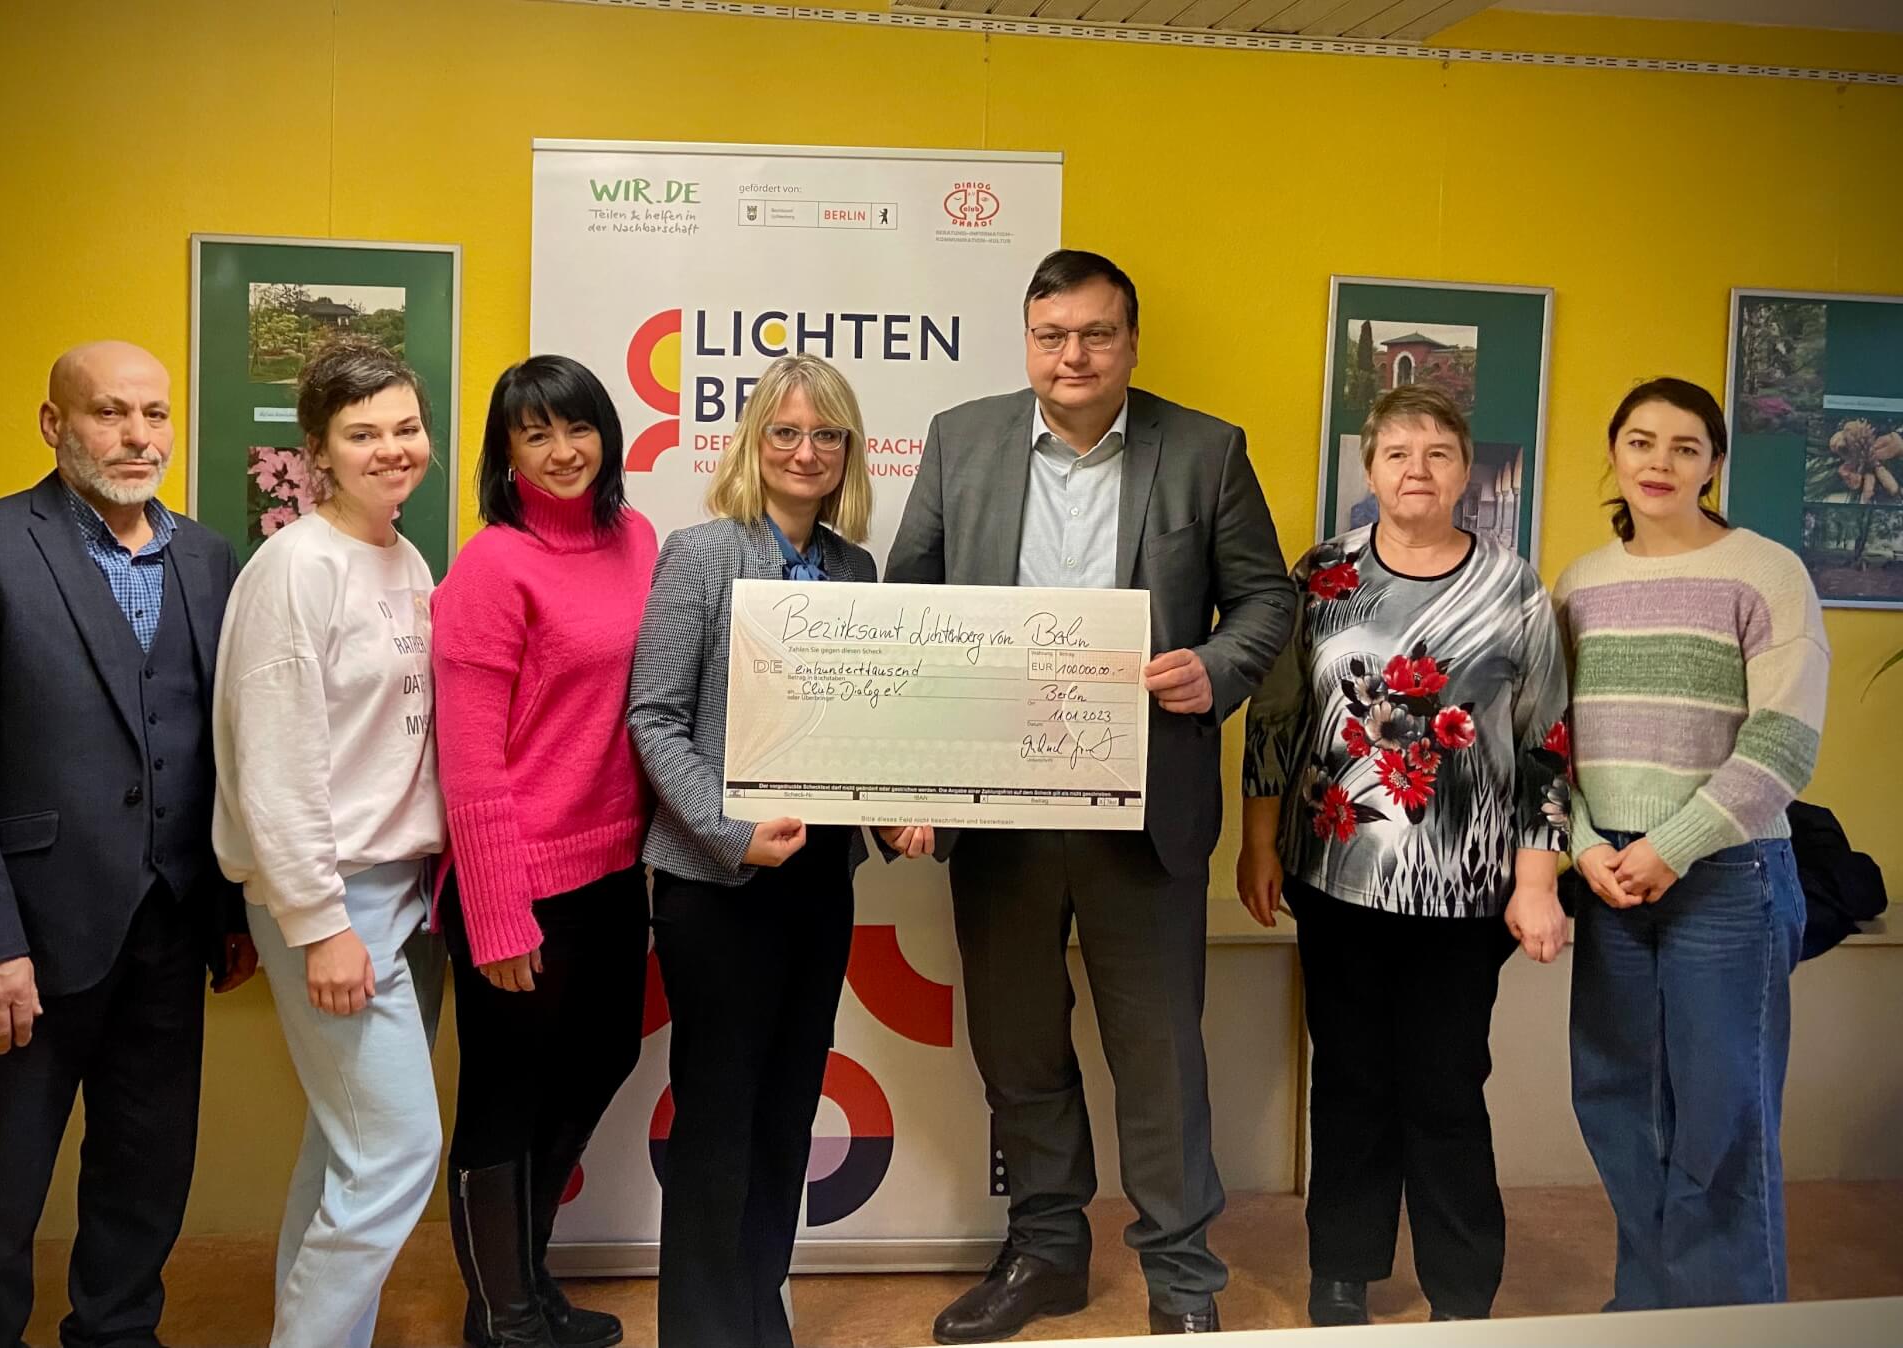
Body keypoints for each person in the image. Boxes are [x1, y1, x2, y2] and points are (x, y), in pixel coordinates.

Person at [886, 249, 1295, 1339]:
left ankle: (1183, 1279)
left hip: (1144, 808)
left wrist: (1216, 667)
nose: (1073, 355)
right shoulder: (960, 440)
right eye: (1051, 335)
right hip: (997, 809)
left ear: (1131, 342)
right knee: (1018, 1048)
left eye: (1096, 334)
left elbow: (1267, 599)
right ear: (1027, 341)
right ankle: (1047, 1253)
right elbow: (907, 608)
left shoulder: (1205, 450)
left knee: (1159, 1056)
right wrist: (910, 777)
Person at [0, 339, 256, 1348]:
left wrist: (228, 912)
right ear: (55, 424)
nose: (138, 436)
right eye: (109, 412)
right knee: (0, 1191)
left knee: (146, 1173)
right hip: (25, 943)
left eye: (155, 413)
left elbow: (220, 753)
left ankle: (116, 1335)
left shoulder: (208, 559)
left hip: (170, 931)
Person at [1237, 385, 1572, 1326]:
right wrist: (1258, 841)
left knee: (1445, 1084)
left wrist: (1537, 880)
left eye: (1437, 453)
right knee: (1349, 1077)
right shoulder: (1323, 575)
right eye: (1397, 453)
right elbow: (1275, 717)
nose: (1416, 470)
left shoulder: (1514, 587)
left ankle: (1463, 1291)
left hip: (1465, 891)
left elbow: (1548, 740)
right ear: (1370, 470)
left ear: (1466, 473)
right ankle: (1342, 1271)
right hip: (1334, 873)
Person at [1555, 377, 1828, 1310]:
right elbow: (1555, 738)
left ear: (1713, 464)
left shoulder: (1768, 573)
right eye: (1641, 442)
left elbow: (1784, 743)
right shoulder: (1580, 584)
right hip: (1610, 876)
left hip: (1727, 873)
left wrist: (1674, 844)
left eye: (1684, 446)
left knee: (1722, 1116)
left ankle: (1726, 1322)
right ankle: (1648, 1312)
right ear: (1614, 453)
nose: (1660, 463)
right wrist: (1583, 844)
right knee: (1618, 1104)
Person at [626, 353, 878, 1348]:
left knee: (787, 1107)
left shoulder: (857, 570)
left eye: (825, 435)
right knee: (719, 1112)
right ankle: (700, 1328)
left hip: (818, 884)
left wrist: (897, 811)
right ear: (753, 443)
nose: (805, 452)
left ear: (847, 450)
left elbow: (865, 728)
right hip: (718, 884)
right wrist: (733, 835)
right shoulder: (699, 554)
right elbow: (653, 719)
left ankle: (757, 1304)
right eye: (785, 432)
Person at [212, 338, 448, 1348]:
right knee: (396, 1151)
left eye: (406, 428)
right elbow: (273, 767)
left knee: (346, 1154)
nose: (391, 449)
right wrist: (319, 924)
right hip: (335, 898)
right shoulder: (293, 570)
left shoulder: (404, 558)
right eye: (362, 434)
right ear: (317, 451)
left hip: (407, 891)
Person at [431, 356, 658, 1348]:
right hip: (517, 875)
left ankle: (522, 1277)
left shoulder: (636, 539)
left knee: (604, 1055)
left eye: (578, 427)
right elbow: (469, 761)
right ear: (507, 453)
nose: (562, 452)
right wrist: (495, 912)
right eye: (535, 435)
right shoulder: (492, 565)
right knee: (504, 1094)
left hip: (613, 866)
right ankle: (506, 1313)